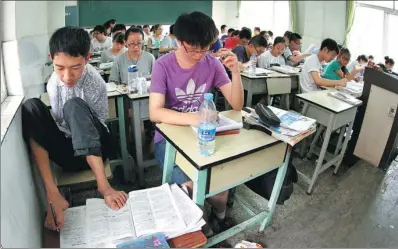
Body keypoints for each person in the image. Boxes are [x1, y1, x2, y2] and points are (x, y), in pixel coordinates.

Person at [21, 27, 127, 231]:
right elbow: (61, 124)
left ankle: (103, 185)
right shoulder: (53, 82)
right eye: (59, 67)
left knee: (74, 105)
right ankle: (52, 194)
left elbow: (96, 125)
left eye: (75, 67)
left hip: (97, 147)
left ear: (87, 58)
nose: (67, 75)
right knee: (31, 107)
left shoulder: (95, 81)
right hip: (71, 152)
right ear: (51, 58)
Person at [149, 11, 243, 236]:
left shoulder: (211, 63)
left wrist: (236, 72)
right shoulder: (163, 65)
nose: (200, 54)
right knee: (192, 190)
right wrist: (195, 118)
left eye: (206, 48)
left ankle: (219, 216)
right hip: (170, 139)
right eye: (194, 49)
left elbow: (237, 105)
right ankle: (205, 230)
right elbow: (155, 112)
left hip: (205, 136)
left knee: (219, 188)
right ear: (179, 41)